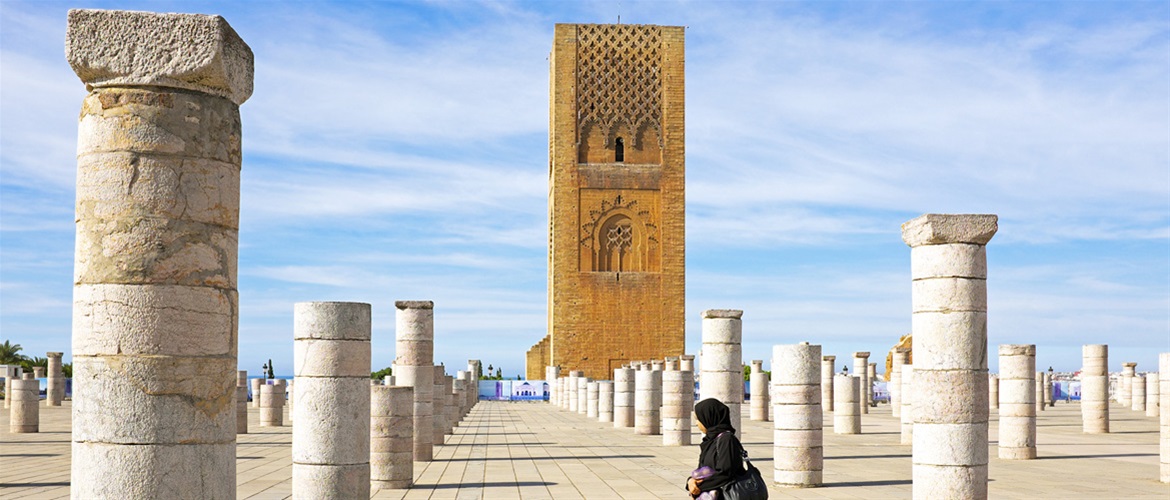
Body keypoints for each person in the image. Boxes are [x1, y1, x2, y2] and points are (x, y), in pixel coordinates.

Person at [686, 398, 745, 498]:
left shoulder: (727, 440)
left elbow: (725, 473)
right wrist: (690, 481)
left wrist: (698, 487)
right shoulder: (710, 441)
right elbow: (702, 470)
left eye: (698, 419)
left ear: (709, 418)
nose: (696, 423)